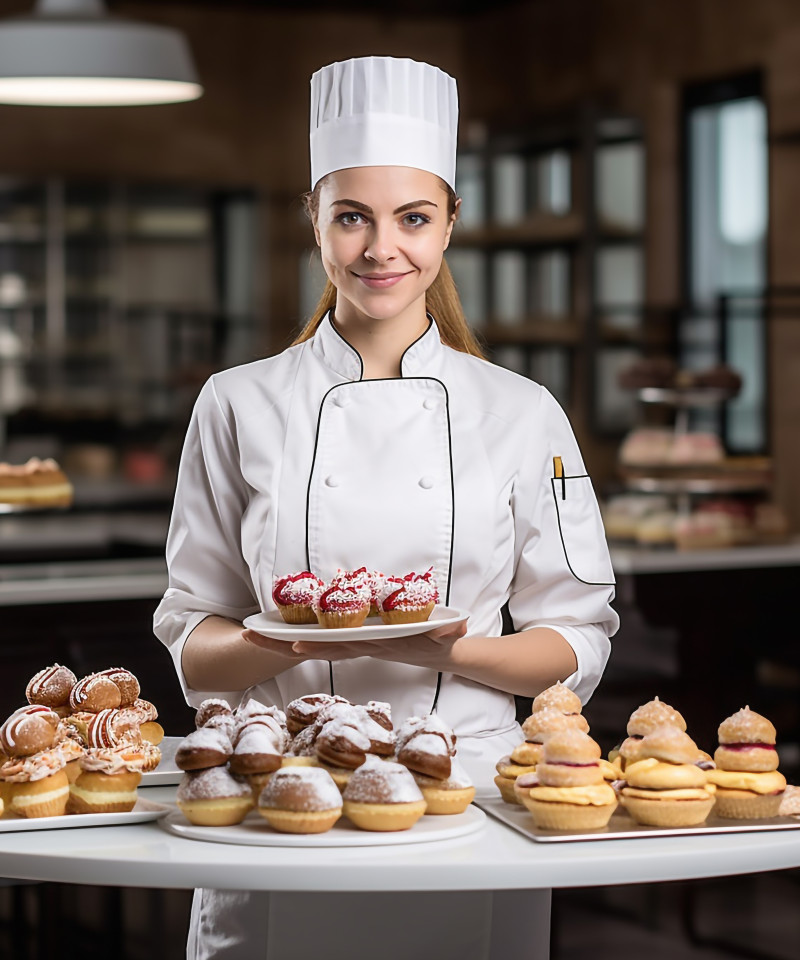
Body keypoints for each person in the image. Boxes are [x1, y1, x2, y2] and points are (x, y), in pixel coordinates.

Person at [155, 55, 618, 960]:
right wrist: (286, 642)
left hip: (473, 799)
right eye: (352, 217)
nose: (381, 249)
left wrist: (433, 649)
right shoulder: (236, 401)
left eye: (413, 218)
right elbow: (193, 640)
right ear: (316, 225)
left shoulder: (522, 410)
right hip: (280, 792)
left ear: (448, 227)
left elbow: (576, 640)